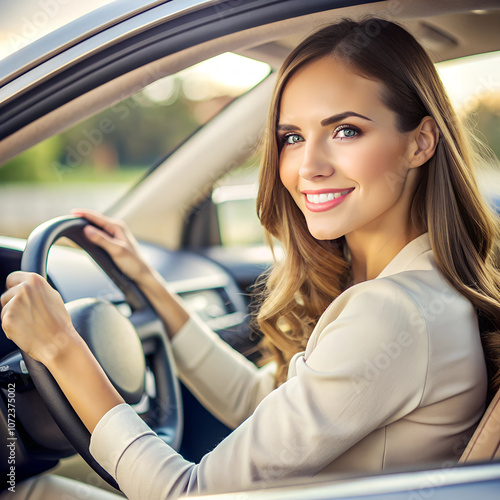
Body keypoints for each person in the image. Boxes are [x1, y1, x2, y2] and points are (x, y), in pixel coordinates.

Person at [1, 17, 499, 500]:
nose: (310, 166)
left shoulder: (393, 312)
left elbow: (186, 495)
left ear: (421, 142)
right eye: (292, 138)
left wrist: (60, 348)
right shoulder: (413, 287)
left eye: (346, 130)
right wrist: (150, 286)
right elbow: (259, 404)